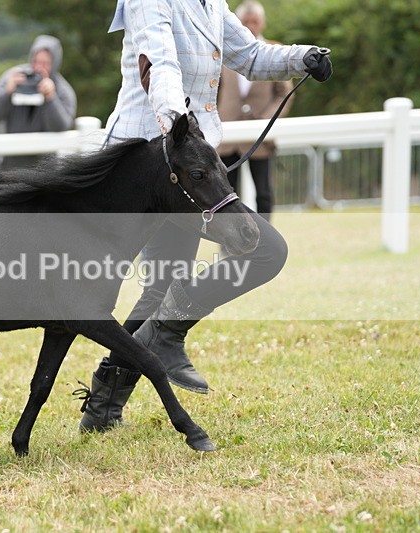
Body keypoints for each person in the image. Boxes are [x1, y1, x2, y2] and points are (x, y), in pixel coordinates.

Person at [77, 0, 332, 432]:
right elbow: (160, 65)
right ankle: (164, 335)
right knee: (266, 250)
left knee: (163, 287)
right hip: (152, 160)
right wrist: (179, 125)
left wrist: (301, 56)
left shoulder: (211, 2)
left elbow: (249, 55)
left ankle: (104, 403)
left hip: (185, 163)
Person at [217, 0, 294, 222]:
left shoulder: (274, 51)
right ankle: (231, 237)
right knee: (226, 194)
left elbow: (284, 93)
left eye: (255, 21)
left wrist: (266, 119)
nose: (250, 26)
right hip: (227, 134)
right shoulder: (223, 53)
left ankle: (265, 236)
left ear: (263, 23)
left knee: (264, 192)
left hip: (260, 136)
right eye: (245, 21)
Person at [0, 35, 77, 171]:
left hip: (45, 172)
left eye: (45, 63)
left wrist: (51, 98)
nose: (38, 68)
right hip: (9, 169)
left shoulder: (63, 91)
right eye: (36, 61)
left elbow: (61, 126)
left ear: (55, 64)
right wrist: (7, 92)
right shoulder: (14, 78)